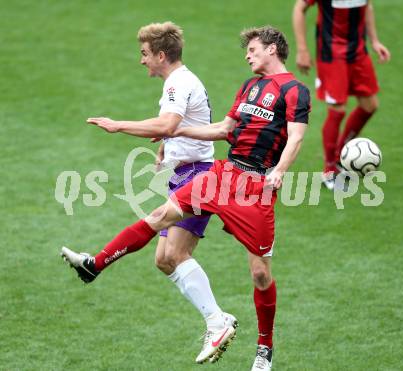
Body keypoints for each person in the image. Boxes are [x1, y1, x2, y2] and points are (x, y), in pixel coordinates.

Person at [61, 25, 310, 371]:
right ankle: (96, 265)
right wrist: (179, 130)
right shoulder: (249, 87)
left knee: (260, 274)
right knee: (159, 216)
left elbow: (296, 137)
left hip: (257, 187)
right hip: (224, 175)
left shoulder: (295, 91)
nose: (247, 54)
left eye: (253, 48)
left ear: (272, 49)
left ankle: (264, 350)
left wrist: (280, 170)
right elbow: (224, 130)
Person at [61, 21, 237, 364]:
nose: (142, 61)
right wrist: (166, 149)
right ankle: (216, 319)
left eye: (144, 54)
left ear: (160, 55)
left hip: (198, 177)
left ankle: (95, 265)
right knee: (164, 259)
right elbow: (179, 128)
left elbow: (168, 124)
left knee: (166, 238)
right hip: (186, 173)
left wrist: (118, 125)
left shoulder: (179, 82)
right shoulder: (179, 81)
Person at [293, 0, 390, 189]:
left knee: (370, 106)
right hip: (332, 54)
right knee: (337, 111)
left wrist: (375, 40)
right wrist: (302, 50)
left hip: (358, 52)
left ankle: (339, 158)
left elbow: (367, 6)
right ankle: (329, 171)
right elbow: (299, 7)